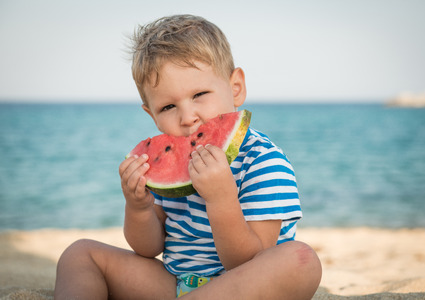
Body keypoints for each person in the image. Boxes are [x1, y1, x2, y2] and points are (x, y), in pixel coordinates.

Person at [55, 14, 321, 300]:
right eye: (168, 106)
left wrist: (221, 199)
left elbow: (246, 262)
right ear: (152, 115)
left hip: (242, 289)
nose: (187, 118)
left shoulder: (263, 162)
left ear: (236, 88)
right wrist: (139, 208)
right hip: (175, 285)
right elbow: (148, 249)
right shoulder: (163, 164)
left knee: (301, 260)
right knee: (79, 254)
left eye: (199, 94)